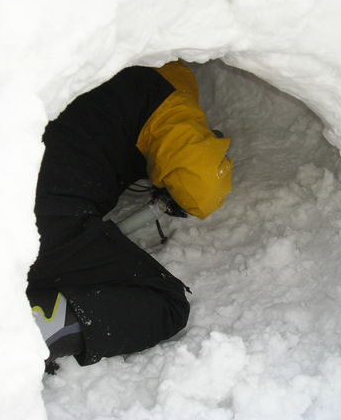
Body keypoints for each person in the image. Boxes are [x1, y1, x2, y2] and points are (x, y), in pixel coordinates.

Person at [26, 61, 233, 370]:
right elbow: (202, 184)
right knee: (165, 304)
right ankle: (31, 330)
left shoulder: (79, 75)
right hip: (38, 217)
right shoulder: (157, 92)